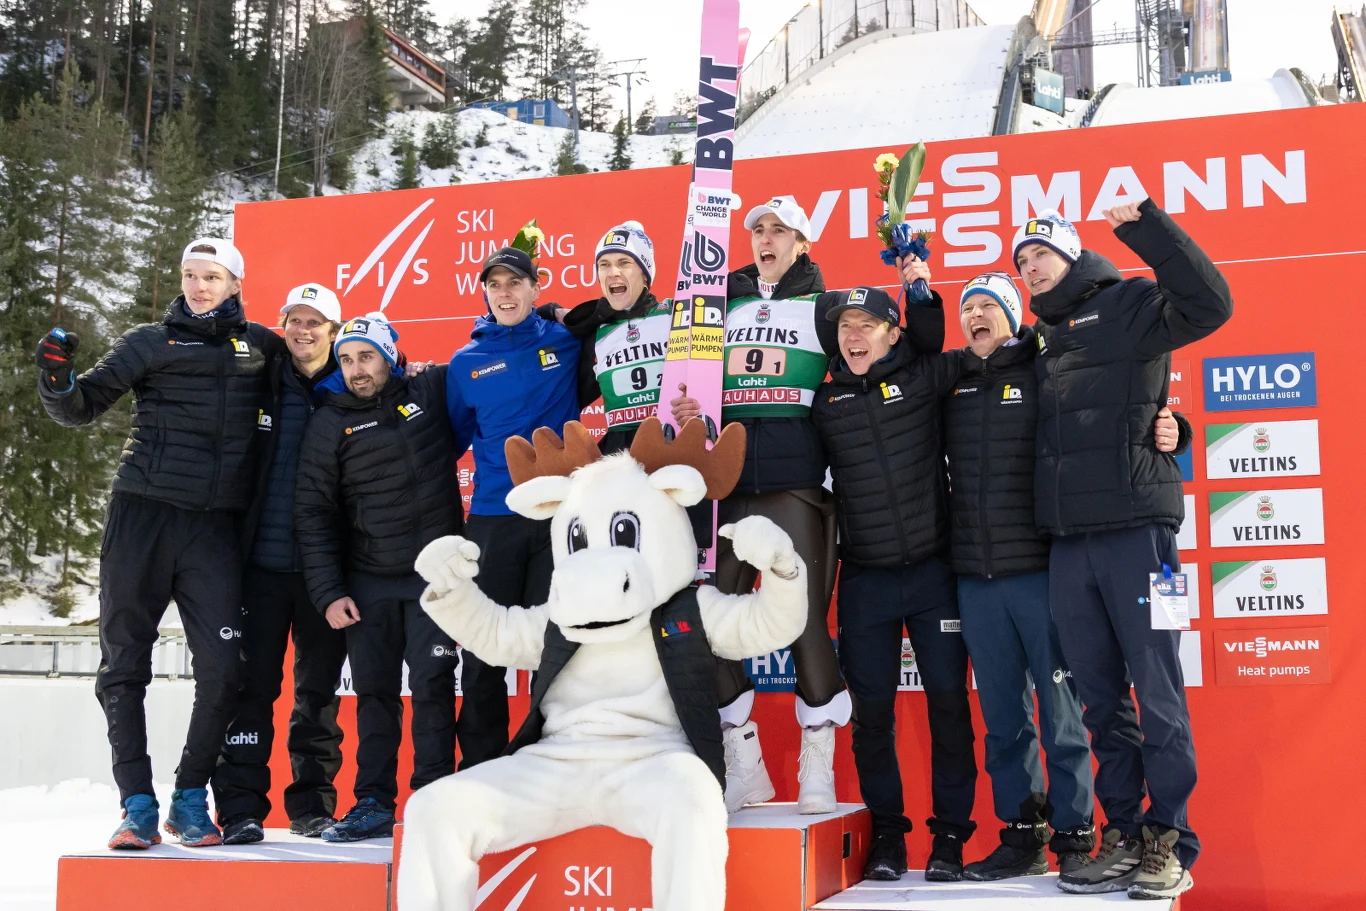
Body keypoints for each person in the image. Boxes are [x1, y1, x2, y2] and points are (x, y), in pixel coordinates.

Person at [908, 270, 1190, 882]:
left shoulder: (1044, 368)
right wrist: (919, 291)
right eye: (968, 309)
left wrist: (1174, 427)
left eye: (990, 306)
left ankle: (1079, 833)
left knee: (1064, 714)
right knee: (1004, 718)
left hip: (1041, 567)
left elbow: (1114, 400)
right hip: (975, 577)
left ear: (1015, 315)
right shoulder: (952, 379)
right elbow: (910, 357)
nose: (976, 316)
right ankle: (1022, 835)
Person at [669, 198, 935, 815]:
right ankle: (745, 759)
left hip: (795, 484)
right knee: (708, 627)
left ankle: (818, 761)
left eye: (779, 230)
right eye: (758, 229)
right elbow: (699, 384)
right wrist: (696, 416)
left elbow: (911, 342)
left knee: (803, 624)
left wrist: (916, 277)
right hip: (729, 487)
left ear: (803, 242)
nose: (766, 239)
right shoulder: (719, 302)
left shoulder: (825, 306)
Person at [34, 238, 282, 849]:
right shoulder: (149, 341)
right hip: (142, 515)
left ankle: (191, 797)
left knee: (225, 670)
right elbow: (81, 407)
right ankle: (137, 805)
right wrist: (57, 379)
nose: (199, 286)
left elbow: (318, 367)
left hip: (214, 529)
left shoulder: (262, 347)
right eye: (191, 275)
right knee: (124, 666)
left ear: (235, 283)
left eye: (213, 277)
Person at [1015, 201, 1231, 900]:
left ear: (1073, 255)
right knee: (1102, 703)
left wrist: (1144, 225)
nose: (1030, 268)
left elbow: (1211, 302)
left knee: (1159, 692)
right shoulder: (1039, 342)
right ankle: (1126, 832)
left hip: (1143, 537)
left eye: (1039, 253)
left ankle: (1170, 839)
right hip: (1071, 547)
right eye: (1021, 262)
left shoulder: (1133, 302)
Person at [809, 279, 977, 882]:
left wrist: (922, 289)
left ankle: (951, 838)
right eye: (845, 327)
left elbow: (1000, 355)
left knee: (949, 708)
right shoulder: (822, 403)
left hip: (935, 572)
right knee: (872, 715)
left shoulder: (927, 375)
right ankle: (887, 836)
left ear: (892, 333)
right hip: (867, 579)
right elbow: (778, 453)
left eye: (867, 326)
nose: (853, 336)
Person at [294, 312, 465, 842]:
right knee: (375, 694)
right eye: (345, 360)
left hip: (432, 580)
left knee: (434, 687)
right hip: (367, 582)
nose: (355, 369)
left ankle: (434, 798)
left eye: (366, 356)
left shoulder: (429, 392)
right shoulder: (329, 422)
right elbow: (313, 512)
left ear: (390, 355)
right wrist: (328, 591)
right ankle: (372, 801)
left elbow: (485, 358)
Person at [210, 283, 349, 844]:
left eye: (317, 322)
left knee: (317, 696)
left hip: (326, 577)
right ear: (282, 324)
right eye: (295, 320)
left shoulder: (353, 390)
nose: (304, 331)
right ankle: (241, 807)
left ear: (334, 333)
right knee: (252, 691)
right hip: (260, 570)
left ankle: (312, 807)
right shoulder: (260, 378)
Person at [444, 246, 581, 768]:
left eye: (515, 283)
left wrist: (561, 314)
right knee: (486, 650)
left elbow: (607, 321)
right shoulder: (465, 362)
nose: (505, 292)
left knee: (559, 647)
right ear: (485, 291)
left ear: (535, 287)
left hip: (555, 515)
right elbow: (454, 435)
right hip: (493, 519)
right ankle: (482, 768)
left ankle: (555, 762)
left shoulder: (567, 342)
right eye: (495, 284)